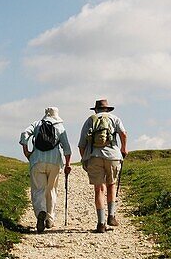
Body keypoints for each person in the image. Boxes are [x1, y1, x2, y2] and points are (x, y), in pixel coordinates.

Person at [77, 98, 127, 233]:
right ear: (107, 109)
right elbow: (123, 133)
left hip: (94, 156)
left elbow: (81, 144)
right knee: (111, 184)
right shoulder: (115, 119)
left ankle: (101, 223)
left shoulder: (90, 120)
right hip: (113, 156)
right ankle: (111, 216)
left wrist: (85, 159)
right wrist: (123, 149)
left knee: (98, 189)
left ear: (96, 109)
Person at [19, 106, 72, 233]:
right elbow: (67, 148)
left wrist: (27, 152)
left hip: (37, 161)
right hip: (54, 162)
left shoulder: (37, 124)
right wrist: (68, 164)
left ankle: (40, 213)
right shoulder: (60, 127)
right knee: (51, 189)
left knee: (38, 190)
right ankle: (50, 218)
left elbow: (24, 134)